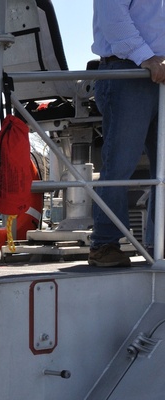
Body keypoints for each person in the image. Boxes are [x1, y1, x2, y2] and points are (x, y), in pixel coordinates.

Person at [88, 0, 165, 267]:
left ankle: (160, 243)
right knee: (120, 163)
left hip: (160, 74)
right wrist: (146, 57)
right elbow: (114, 19)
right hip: (127, 72)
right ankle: (104, 244)